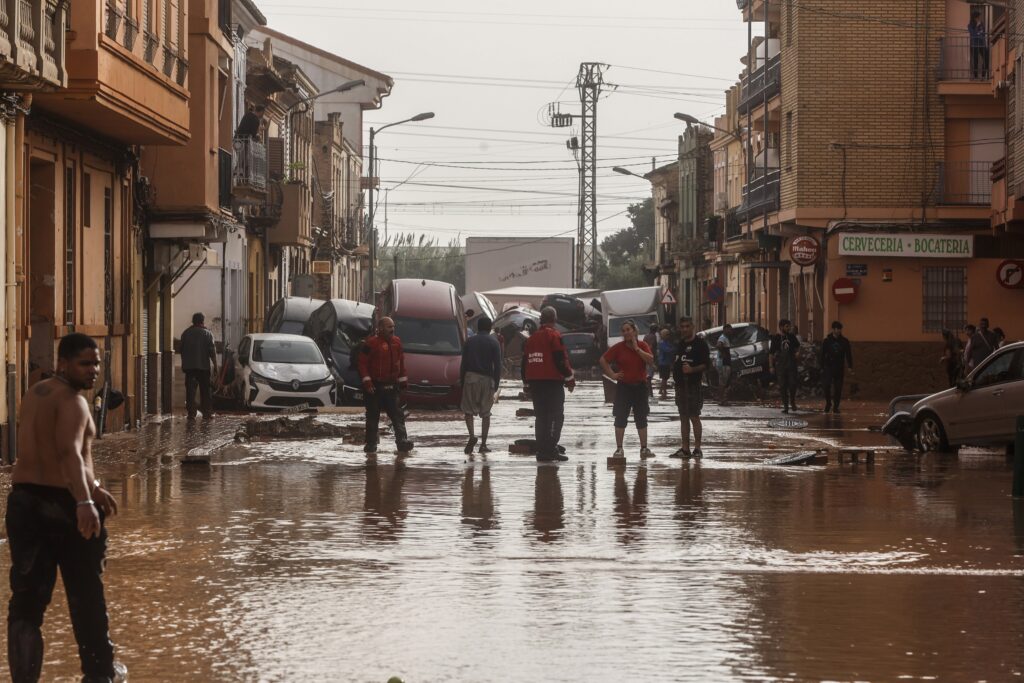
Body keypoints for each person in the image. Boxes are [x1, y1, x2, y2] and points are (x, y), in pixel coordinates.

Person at [7, 333, 124, 683]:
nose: (94, 371)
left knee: (26, 603)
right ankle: (99, 674)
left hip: (23, 503)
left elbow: (51, 453)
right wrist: (85, 501)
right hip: (63, 506)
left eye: (96, 363)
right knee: (86, 595)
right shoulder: (75, 402)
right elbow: (69, 453)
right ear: (63, 363)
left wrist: (95, 485)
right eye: (85, 363)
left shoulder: (35, 393)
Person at [522, 306, 575, 462]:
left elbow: (524, 363)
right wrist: (570, 379)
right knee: (555, 416)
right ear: (555, 319)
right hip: (552, 383)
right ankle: (550, 449)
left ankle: (542, 451)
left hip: (535, 384)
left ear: (541, 319)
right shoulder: (554, 335)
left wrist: (526, 382)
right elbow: (560, 360)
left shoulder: (531, 339)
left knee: (541, 417)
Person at [600, 320, 656, 460]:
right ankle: (619, 449)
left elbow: (650, 360)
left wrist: (637, 349)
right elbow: (603, 360)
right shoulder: (618, 347)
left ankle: (644, 448)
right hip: (624, 387)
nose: (626, 333)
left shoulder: (643, 345)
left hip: (640, 387)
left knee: (641, 417)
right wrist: (612, 374)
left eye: (628, 330)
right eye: (623, 331)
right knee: (620, 417)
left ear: (635, 331)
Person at [358, 317, 414, 456]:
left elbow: (401, 363)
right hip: (374, 387)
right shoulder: (370, 343)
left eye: (393, 326)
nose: (392, 329)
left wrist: (403, 382)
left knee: (397, 415)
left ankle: (402, 442)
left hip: (391, 386)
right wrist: (367, 382)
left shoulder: (397, 342)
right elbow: (362, 363)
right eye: (389, 327)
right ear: (381, 328)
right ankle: (371, 445)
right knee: (372, 416)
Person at [461, 317, 502, 455]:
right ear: (490, 328)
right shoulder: (494, 342)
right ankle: (483, 444)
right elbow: (498, 365)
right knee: (485, 413)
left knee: (468, 411)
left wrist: (462, 382)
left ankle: (472, 435)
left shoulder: (469, 341)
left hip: (470, 377)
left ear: (478, 327)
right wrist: (496, 383)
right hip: (487, 379)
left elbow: (464, 364)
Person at [671, 317, 710, 459]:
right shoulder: (680, 344)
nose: (685, 329)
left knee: (694, 416)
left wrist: (692, 370)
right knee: (683, 417)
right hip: (680, 386)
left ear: (693, 326)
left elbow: (706, 365)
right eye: (682, 326)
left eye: (687, 326)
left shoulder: (700, 344)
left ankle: (697, 449)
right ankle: (685, 448)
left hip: (693, 386)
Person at [180, 312, 218, 420]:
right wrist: (215, 366)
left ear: (193, 321)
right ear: (202, 321)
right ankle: (206, 412)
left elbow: (181, 350)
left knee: (190, 392)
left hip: (189, 368)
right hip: (203, 368)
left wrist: (185, 363)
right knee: (205, 391)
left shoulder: (185, 333)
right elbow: (212, 352)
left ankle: (191, 413)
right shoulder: (207, 334)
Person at [820, 321, 854, 414]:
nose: (839, 331)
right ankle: (828, 403)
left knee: (838, 388)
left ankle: (836, 406)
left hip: (839, 367)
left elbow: (848, 354)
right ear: (833, 329)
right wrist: (821, 366)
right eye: (837, 329)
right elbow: (822, 354)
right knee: (826, 386)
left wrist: (850, 366)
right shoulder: (827, 341)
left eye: (840, 329)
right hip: (828, 366)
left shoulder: (844, 341)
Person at [769, 319, 801, 413]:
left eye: (789, 326)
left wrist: (798, 353)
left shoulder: (791, 337)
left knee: (792, 384)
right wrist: (771, 366)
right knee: (782, 386)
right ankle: (786, 406)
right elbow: (771, 353)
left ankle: (792, 401)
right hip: (780, 365)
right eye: (787, 326)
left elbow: (798, 346)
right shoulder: (776, 338)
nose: (789, 328)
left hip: (791, 364)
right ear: (781, 327)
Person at [716, 324, 734, 406]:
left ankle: (722, 399)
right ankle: (721, 399)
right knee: (722, 382)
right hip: (723, 363)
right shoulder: (723, 338)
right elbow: (719, 345)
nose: (731, 331)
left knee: (724, 382)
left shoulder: (726, 338)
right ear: (725, 329)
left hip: (725, 362)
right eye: (729, 330)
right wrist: (723, 353)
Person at [656, 327, 676, 400]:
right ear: (663, 335)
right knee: (664, 378)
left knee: (665, 378)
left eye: (668, 334)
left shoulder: (667, 342)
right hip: (663, 363)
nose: (668, 336)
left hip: (666, 363)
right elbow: (668, 350)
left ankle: (661, 390)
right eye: (667, 334)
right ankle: (664, 391)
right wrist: (674, 349)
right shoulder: (662, 343)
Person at [969, 10, 988, 80]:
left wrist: (978, 33)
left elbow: (983, 33)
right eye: (978, 17)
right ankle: (975, 76)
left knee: (986, 58)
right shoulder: (970, 25)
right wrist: (977, 27)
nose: (979, 18)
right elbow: (973, 34)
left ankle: (983, 75)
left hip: (982, 44)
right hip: (974, 45)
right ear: (975, 18)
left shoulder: (981, 24)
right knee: (975, 61)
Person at [643, 323, 660, 397]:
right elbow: (651, 346)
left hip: (645, 356)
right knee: (649, 376)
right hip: (650, 357)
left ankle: (648, 392)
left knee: (648, 375)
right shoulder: (653, 336)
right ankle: (649, 393)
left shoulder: (646, 335)